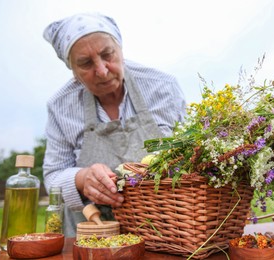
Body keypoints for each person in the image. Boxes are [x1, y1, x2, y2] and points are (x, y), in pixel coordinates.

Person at [42, 12, 187, 237]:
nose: (101, 70)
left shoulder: (162, 87)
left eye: (107, 54)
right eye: (85, 63)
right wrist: (82, 178)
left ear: (119, 47)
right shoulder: (61, 105)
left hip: (165, 232)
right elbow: (52, 177)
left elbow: (191, 155)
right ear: (71, 68)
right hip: (95, 234)